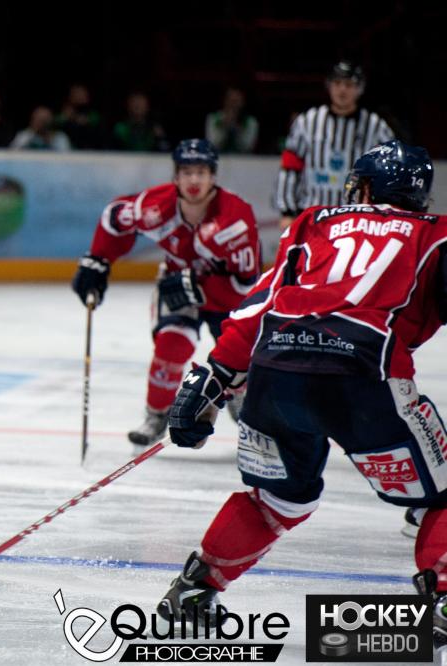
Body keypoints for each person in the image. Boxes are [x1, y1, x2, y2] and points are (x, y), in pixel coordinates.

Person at [157, 141, 447, 658]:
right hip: (364, 375)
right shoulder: (436, 233)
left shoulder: (315, 221)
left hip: (276, 370)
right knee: (441, 494)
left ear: (364, 187)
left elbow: (263, 303)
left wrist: (212, 377)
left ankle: (194, 592)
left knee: (278, 499)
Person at [71, 139, 261, 447]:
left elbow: (246, 283)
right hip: (179, 286)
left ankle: (240, 393)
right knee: (170, 347)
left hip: (227, 297)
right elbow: (114, 217)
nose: (194, 180)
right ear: (175, 176)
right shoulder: (156, 207)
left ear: (213, 176)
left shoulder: (235, 217)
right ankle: (157, 415)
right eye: (186, 172)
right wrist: (98, 259)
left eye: (201, 172)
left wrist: (201, 288)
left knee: (238, 358)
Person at [275, 61, 394, 229]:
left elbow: (390, 173)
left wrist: (385, 210)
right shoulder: (308, 121)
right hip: (312, 215)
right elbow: (290, 167)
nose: (342, 90)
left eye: (349, 85)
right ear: (329, 86)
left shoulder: (375, 126)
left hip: (356, 219)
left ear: (359, 89)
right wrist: (287, 211)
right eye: (337, 83)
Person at [204, 86, 258, 154]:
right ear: (225, 101)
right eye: (231, 101)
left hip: (242, 158)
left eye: (236, 101)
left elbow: (247, 147)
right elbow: (212, 145)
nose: (233, 105)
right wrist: (224, 127)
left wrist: (237, 129)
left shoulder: (250, 121)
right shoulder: (213, 118)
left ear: (242, 102)